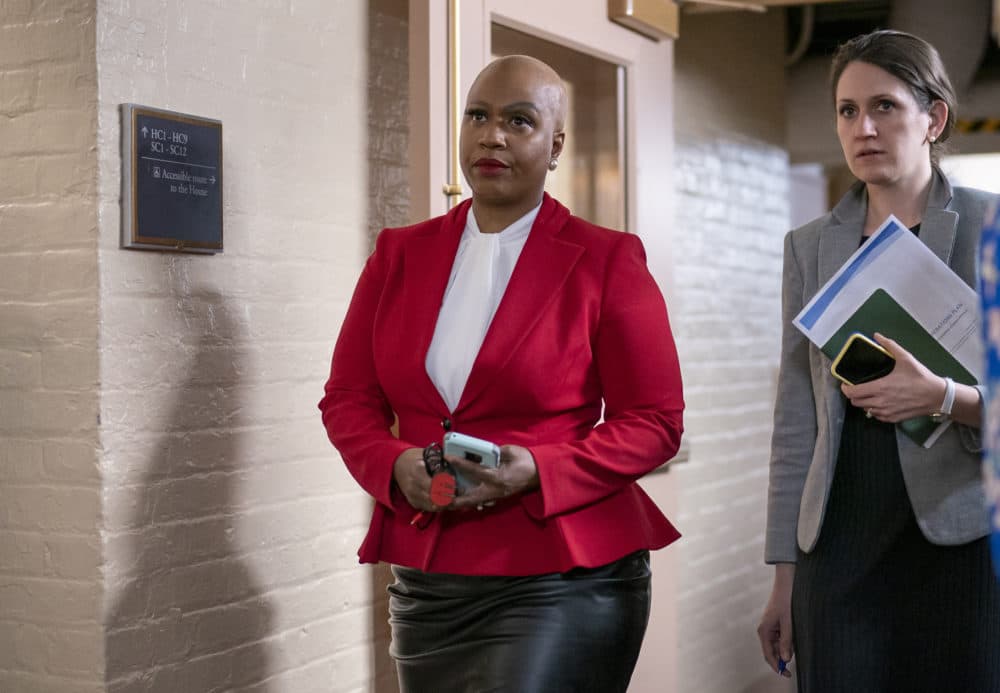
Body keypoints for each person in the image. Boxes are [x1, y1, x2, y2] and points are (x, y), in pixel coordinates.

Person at [318, 54, 684, 692]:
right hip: (429, 577)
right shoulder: (397, 255)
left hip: (561, 577)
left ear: (555, 145)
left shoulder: (607, 260)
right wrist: (391, 463)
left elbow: (655, 423)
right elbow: (347, 398)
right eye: (478, 117)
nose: (493, 135)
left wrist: (538, 469)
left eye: (520, 121)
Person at [757, 29, 1000, 692]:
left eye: (885, 106)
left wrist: (943, 396)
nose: (863, 126)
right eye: (846, 110)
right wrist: (784, 571)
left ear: (934, 118)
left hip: (960, 538)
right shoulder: (809, 246)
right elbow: (796, 416)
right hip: (837, 543)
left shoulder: (989, 226)